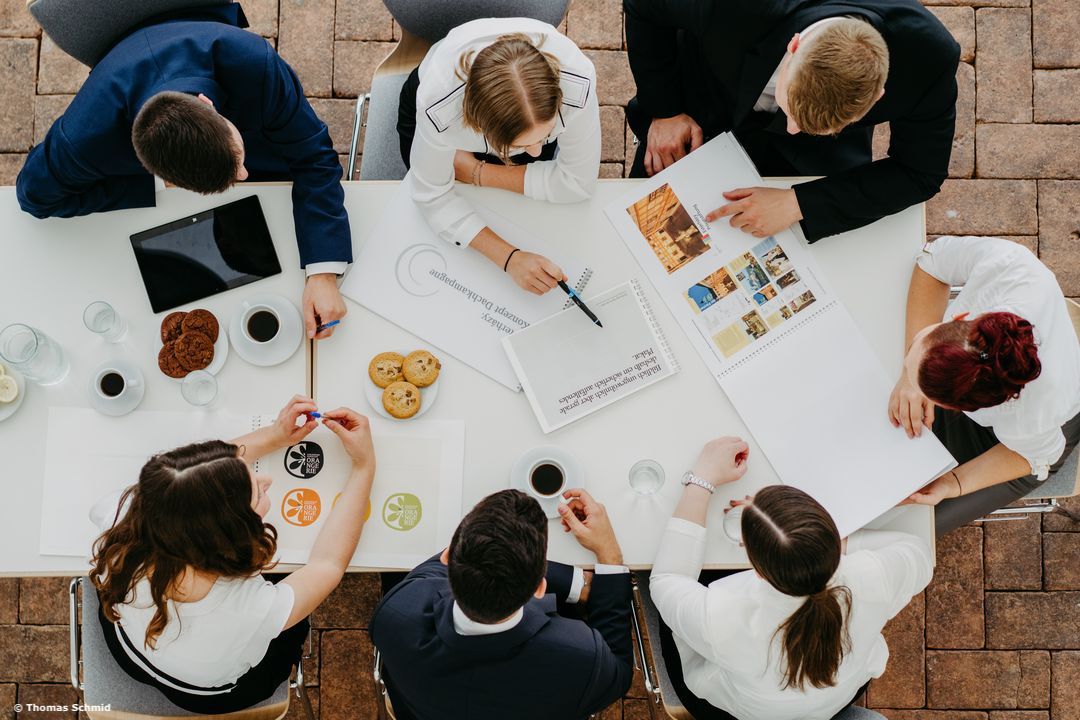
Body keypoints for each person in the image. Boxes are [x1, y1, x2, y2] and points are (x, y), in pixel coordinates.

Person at [16, 4, 348, 340]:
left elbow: (313, 156)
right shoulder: (84, 138)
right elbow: (34, 197)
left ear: (207, 103)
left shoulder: (252, 63)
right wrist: (154, 188)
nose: (244, 175)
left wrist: (323, 270)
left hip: (225, 74)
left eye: (237, 161)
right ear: (147, 166)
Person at [89, 397, 375, 713]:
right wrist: (364, 465)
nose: (266, 480)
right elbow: (327, 564)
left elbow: (193, 478)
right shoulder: (250, 609)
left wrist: (273, 436)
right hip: (208, 694)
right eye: (258, 494)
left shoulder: (130, 513)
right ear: (229, 538)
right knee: (294, 622)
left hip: (128, 643)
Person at [623, 0, 959, 241]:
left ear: (877, 96)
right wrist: (664, 110)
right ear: (794, 44)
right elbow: (643, 5)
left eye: (821, 127)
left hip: (819, 156)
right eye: (792, 110)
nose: (791, 128)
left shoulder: (930, 58)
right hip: (708, 99)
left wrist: (798, 203)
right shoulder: (729, 7)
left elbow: (921, 172)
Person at [651, 437, 933, 720]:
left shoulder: (721, 615)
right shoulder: (874, 576)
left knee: (673, 606)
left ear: (757, 570)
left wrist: (702, 479)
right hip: (839, 695)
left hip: (737, 712)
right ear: (834, 536)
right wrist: (812, 535)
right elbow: (919, 552)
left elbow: (666, 580)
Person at [370, 488, 633, 720]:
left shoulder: (397, 612)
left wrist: (577, 583)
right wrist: (609, 555)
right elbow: (620, 672)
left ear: (449, 556)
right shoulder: (581, 656)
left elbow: (435, 569)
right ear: (540, 588)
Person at [888, 236, 1080, 535]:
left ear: (958, 408)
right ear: (961, 318)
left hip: (1033, 444)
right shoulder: (1010, 265)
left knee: (911, 528)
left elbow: (1034, 457)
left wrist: (953, 484)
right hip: (1011, 404)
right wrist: (908, 380)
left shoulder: (1032, 416)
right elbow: (932, 263)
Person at [398, 17, 601, 296]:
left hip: (475, 153)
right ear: (479, 128)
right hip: (439, 113)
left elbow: (577, 183)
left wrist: (475, 173)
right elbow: (430, 195)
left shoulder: (579, 82)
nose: (538, 152)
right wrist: (510, 258)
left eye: (546, 134)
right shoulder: (439, 108)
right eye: (522, 144)